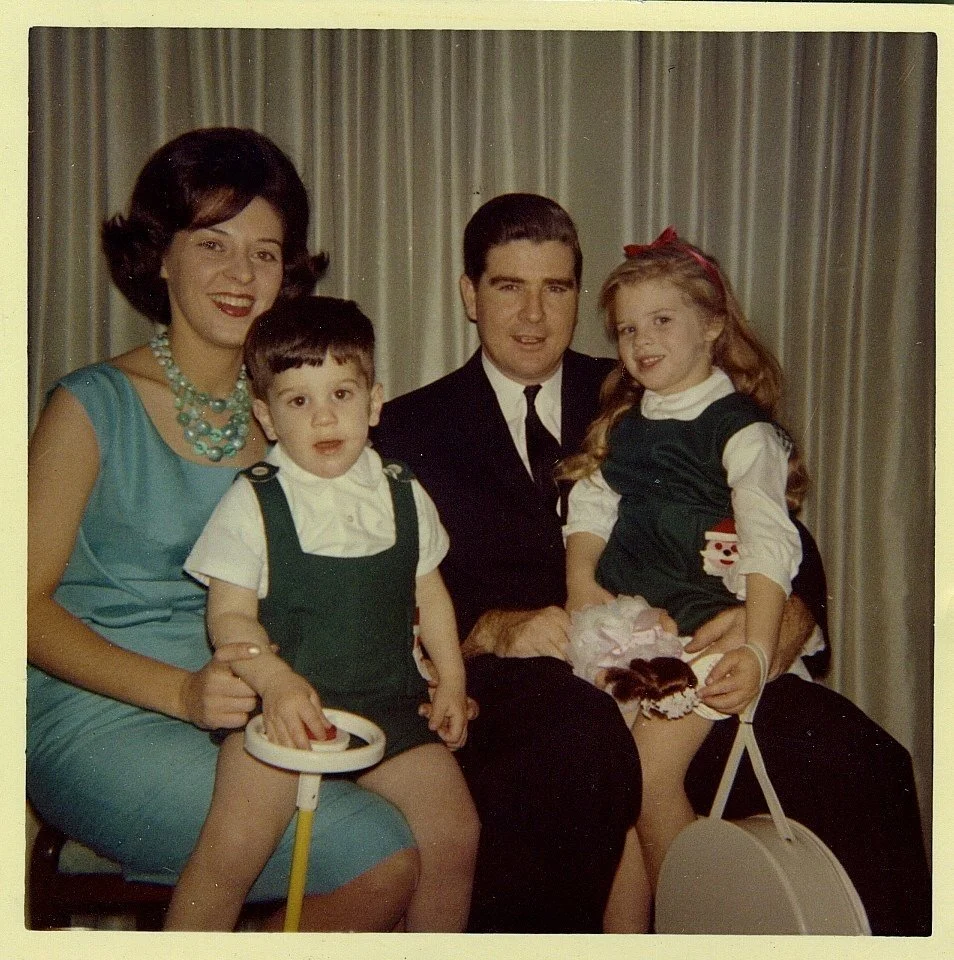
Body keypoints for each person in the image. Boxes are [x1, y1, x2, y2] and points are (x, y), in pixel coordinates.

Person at [373, 192, 931, 936]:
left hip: (693, 654)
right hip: (522, 692)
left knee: (864, 757)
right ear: (470, 296)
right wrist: (490, 632)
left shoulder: (645, 385)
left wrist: (779, 622)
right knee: (583, 748)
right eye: (509, 287)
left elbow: (782, 536)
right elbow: (382, 600)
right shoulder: (406, 428)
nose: (534, 314)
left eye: (556, 288)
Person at [27, 128, 420, 931]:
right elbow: (17, 609)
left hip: (258, 706)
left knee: (445, 820)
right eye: (213, 244)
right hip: (103, 716)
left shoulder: (294, 418)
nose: (242, 275)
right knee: (380, 854)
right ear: (159, 257)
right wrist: (180, 692)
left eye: (265, 253)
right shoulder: (89, 406)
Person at [166, 296, 479, 931]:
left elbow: (431, 594)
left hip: (391, 703)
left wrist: (451, 678)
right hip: (284, 710)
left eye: (341, 393)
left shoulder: (402, 490)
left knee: (455, 833)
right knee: (232, 850)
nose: (325, 416)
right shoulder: (254, 501)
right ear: (266, 416)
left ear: (374, 401)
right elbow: (229, 619)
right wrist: (274, 681)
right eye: (298, 401)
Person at [560, 227, 807, 903]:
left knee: (649, 772)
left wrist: (758, 648)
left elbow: (769, 542)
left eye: (662, 321)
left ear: (713, 327)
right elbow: (589, 507)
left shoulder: (741, 429)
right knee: (620, 795)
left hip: (707, 634)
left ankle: (701, 924)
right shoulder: (626, 424)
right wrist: (581, 582)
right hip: (637, 631)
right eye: (627, 329)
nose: (642, 341)